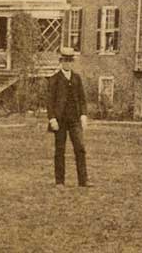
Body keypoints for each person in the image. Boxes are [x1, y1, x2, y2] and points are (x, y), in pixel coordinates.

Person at [47, 47, 90, 187]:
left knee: (80, 148)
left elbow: (82, 99)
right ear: (61, 62)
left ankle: (83, 180)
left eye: (70, 61)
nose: (68, 63)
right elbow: (50, 101)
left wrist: (83, 114)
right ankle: (60, 181)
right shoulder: (54, 79)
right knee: (60, 150)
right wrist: (52, 118)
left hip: (74, 120)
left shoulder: (77, 78)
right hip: (59, 121)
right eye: (65, 61)